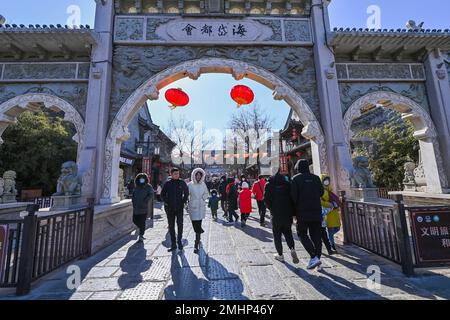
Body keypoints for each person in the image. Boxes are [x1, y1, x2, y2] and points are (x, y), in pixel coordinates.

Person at [291, 159, 324, 270]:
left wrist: (293, 213)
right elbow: (321, 192)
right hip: (316, 211)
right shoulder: (315, 178)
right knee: (316, 236)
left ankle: (314, 256)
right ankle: (317, 259)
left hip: (302, 213)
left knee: (302, 234)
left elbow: (293, 198)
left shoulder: (295, 179)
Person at [264, 171, 299, 264]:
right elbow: (292, 198)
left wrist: (270, 207)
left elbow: (266, 200)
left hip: (275, 214)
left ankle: (280, 255)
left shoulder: (269, 185)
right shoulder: (287, 185)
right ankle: (292, 248)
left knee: (277, 235)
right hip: (287, 214)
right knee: (288, 233)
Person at [161, 168, 189, 252]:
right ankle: (173, 244)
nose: (177, 175)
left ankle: (179, 241)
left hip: (179, 208)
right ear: (171, 174)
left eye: (178, 173)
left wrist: (183, 201)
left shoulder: (182, 182)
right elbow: (162, 194)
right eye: (175, 174)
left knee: (180, 224)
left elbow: (186, 192)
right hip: (170, 208)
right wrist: (167, 202)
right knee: (171, 226)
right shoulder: (167, 183)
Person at [187, 168, 210, 254]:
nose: (198, 177)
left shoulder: (203, 184)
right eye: (197, 175)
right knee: (195, 225)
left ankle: (196, 243)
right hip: (193, 206)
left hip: (201, 206)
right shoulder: (190, 185)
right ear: (194, 175)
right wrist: (188, 201)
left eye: (200, 175)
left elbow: (206, 193)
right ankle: (199, 233)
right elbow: (186, 194)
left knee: (198, 224)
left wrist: (202, 199)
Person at [321, 175, 341, 254]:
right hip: (328, 214)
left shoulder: (329, 189)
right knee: (331, 231)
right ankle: (332, 245)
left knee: (337, 228)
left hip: (334, 213)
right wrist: (329, 204)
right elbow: (320, 202)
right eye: (325, 180)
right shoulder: (321, 191)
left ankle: (328, 240)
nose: (327, 181)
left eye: (327, 180)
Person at [131, 173, 154, 243]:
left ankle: (141, 235)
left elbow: (151, 194)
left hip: (144, 207)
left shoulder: (148, 186)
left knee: (142, 221)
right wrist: (133, 202)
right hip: (136, 207)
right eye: (140, 178)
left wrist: (146, 200)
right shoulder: (136, 186)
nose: (141, 179)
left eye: (143, 178)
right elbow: (133, 195)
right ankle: (142, 228)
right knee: (134, 220)